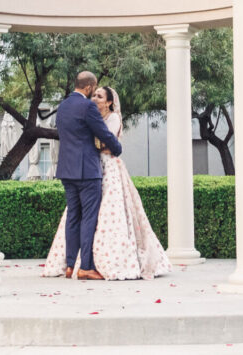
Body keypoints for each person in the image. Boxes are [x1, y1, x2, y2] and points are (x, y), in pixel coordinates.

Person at [43, 83, 172, 280]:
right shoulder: (90, 114)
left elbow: (107, 143)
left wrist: (107, 145)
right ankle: (74, 263)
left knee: (104, 213)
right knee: (78, 215)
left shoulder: (112, 118)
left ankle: (94, 261)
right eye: (94, 95)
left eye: (100, 96)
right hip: (89, 167)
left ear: (110, 102)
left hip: (106, 167)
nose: (95, 98)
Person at [47, 71, 123, 281]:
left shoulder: (63, 106)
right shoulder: (88, 106)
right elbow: (103, 133)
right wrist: (117, 148)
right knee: (89, 218)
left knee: (73, 216)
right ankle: (86, 267)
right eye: (94, 89)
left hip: (66, 169)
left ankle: (70, 265)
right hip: (87, 170)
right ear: (89, 87)